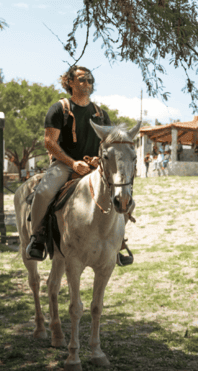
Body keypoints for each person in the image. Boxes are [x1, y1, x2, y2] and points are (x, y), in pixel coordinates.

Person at [26, 65, 124, 264]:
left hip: (96, 167)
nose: (87, 83)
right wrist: (73, 162)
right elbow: (49, 142)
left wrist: (98, 159)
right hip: (64, 165)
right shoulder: (59, 108)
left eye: (89, 80)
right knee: (44, 192)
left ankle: (118, 243)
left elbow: (108, 143)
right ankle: (38, 237)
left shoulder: (101, 114)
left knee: (123, 193)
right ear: (70, 82)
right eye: (82, 80)